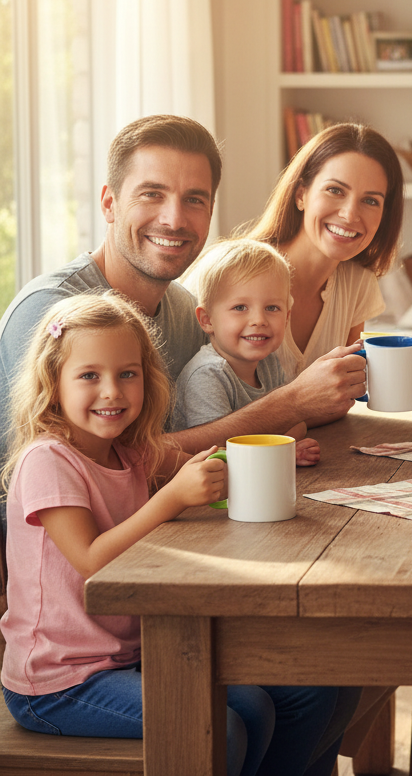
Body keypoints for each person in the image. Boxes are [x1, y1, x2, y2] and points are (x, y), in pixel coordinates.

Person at [0, 292, 358, 776]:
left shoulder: (131, 451)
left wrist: (275, 457)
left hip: (133, 655)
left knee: (285, 697)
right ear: (53, 382)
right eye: (89, 376)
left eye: (128, 374)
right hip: (60, 683)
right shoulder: (48, 460)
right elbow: (90, 560)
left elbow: (209, 460)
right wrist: (169, 498)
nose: (112, 392)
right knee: (225, 725)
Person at [0, 115, 369, 467]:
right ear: (109, 203)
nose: (174, 220)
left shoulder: (184, 308)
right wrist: (290, 404)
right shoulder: (53, 310)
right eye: (151, 194)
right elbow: (95, 466)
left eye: (194, 199)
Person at [243, 123, 404, 381]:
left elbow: (342, 392)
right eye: (335, 190)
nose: (350, 214)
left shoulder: (358, 283)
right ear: (300, 194)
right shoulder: (236, 272)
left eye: (371, 200)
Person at [173, 239, 313, 464]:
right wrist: (282, 450)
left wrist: (280, 445)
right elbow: (218, 452)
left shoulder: (269, 363)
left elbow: (298, 422)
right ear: (207, 320)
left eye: (272, 308)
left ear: (286, 317)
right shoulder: (207, 374)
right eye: (240, 308)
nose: (259, 320)